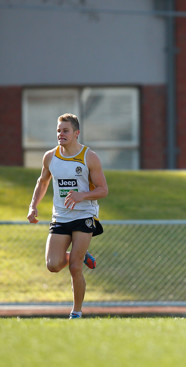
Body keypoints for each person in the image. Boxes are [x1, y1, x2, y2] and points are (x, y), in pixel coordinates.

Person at [27, 113, 108, 319]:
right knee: (52, 265)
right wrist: (33, 206)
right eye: (58, 131)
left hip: (84, 215)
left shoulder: (89, 157)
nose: (60, 134)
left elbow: (102, 190)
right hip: (61, 217)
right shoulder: (50, 157)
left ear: (76, 133)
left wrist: (82, 195)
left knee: (74, 268)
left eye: (65, 131)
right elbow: (42, 181)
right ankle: (79, 255)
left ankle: (76, 312)